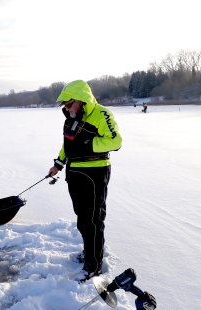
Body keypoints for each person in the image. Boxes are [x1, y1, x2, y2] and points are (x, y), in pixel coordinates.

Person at [48, 80, 122, 282]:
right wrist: (58, 164)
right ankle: (90, 252)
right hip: (74, 173)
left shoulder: (101, 114)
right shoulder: (71, 119)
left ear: (80, 101)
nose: (66, 108)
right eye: (64, 105)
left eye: (69, 104)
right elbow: (68, 145)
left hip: (95, 173)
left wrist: (90, 144)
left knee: (93, 220)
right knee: (83, 219)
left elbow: (116, 141)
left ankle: (94, 265)